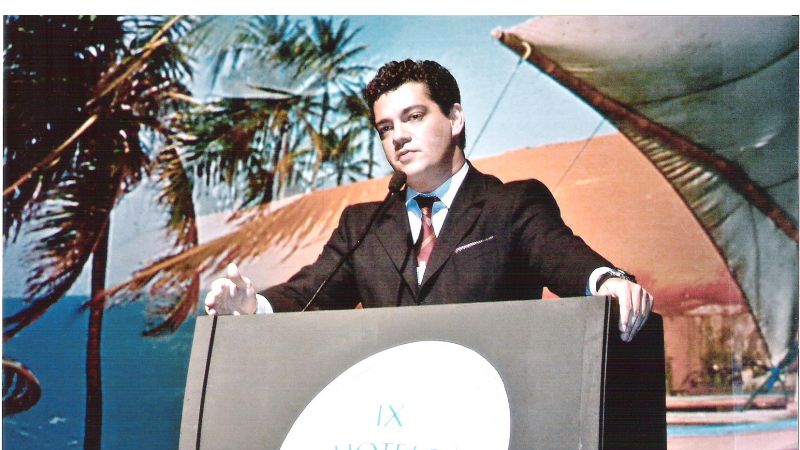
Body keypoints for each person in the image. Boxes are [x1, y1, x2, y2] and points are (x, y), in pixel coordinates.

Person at [204, 59, 653, 341]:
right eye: (385, 128)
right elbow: (311, 294)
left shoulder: (511, 205)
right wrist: (251, 306)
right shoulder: (362, 226)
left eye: (414, 117)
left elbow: (564, 258)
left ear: (454, 118)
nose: (398, 136)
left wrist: (608, 281)